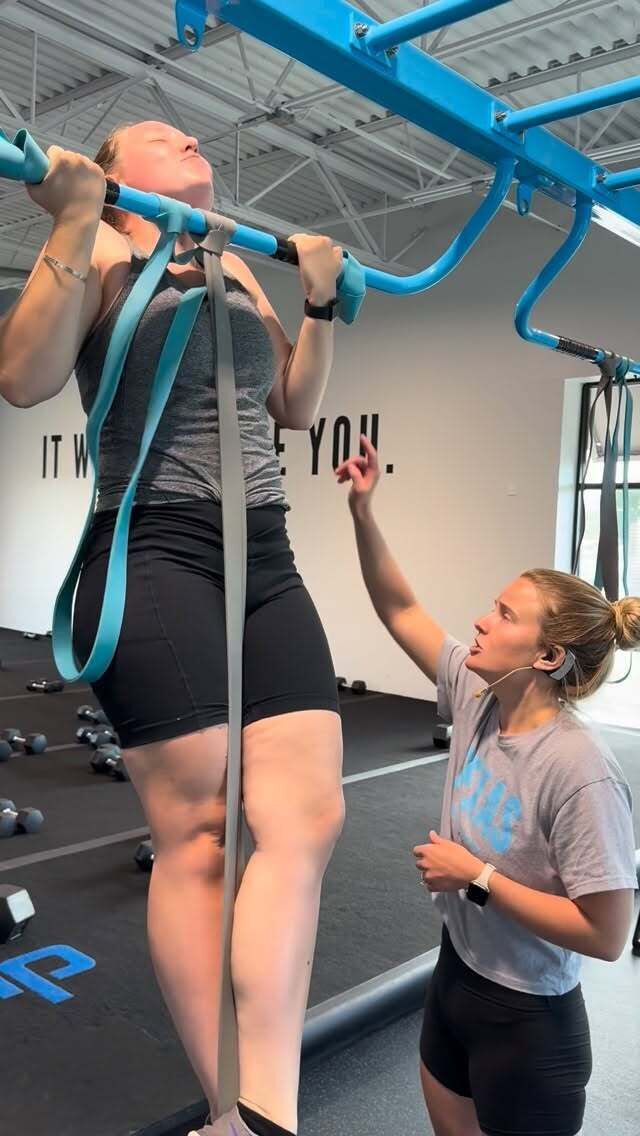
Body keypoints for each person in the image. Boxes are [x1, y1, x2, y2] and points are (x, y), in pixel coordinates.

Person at [0, 121, 347, 1136]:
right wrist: (72, 217)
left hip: (266, 552)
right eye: (160, 133)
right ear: (114, 175)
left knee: (308, 817)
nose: (189, 135)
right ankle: (242, 1112)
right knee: (197, 836)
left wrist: (320, 302)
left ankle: (261, 1113)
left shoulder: (233, 257)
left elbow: (291, 403)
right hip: (153, 547)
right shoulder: (104, 244)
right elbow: (21, 376)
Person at [336, 434, 639, 1136]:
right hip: (457, 976)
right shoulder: (478, 698)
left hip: (528, 1019)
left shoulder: (579, 769)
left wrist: (477, 878)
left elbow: (607, 934)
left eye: (505, 614)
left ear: (548, 655)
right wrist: (363, 512)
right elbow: (400, 609)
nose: (480, 619)